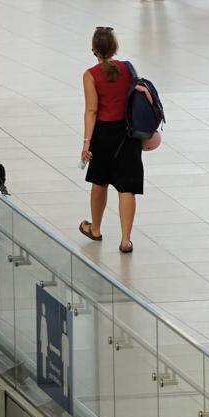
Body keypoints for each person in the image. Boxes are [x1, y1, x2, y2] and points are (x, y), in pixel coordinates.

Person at [78, 27, 141, 254]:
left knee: (99, 181)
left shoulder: (91, 75)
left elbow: (91, 110)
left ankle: (95, 229)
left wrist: (86, 143)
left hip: (104, 134)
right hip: (128, 133)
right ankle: (126, 240)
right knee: (127, 187)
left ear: (94, 49)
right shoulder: (127, 68)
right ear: (115, 47)